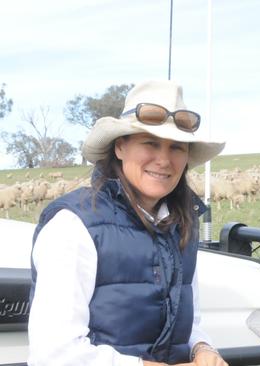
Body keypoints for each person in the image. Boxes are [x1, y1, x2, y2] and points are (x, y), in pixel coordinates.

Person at [28, 80, 229, 366]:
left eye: (177, 147)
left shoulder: (181, 227)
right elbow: (54, 353)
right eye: (150, 143)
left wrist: (202, 348)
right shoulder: (73, 226)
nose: (164, 159)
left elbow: (188, 321)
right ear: (119, 148)